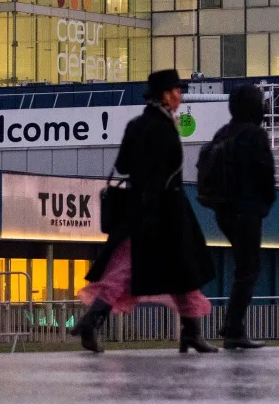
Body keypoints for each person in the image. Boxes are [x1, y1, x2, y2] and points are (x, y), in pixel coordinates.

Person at [71, 69, 218, 355]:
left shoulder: (137, 124)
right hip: (166, 210)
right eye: (177, 90)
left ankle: (95, 320)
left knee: (134, 269)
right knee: (179, 267)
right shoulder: (162, 128)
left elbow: (123, 166)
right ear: (165, 95)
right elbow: (164, 171)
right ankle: (191, 333)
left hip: (137, 209)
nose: (180, 95)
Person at [207, 83, 278, 350]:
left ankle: (231, 324)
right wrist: (265, 204)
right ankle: (234, 329)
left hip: (223, 211)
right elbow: (266, 174)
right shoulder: (255, 134)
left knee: (242, 267)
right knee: (249, 269)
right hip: (247, 210)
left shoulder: (222, 133)